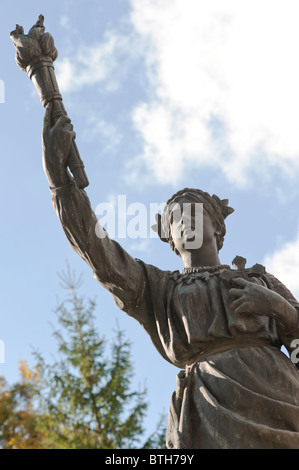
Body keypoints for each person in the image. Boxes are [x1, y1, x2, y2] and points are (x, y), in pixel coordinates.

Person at [42, 102, 299, 449]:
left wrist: (280, 308)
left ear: (216, 225)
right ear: (171, 239)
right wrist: (60, 181)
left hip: (282, 398)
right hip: (209, 410)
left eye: (194, 212)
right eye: (176, 218)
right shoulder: (157, 290)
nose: (185, 220)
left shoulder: (260, 280)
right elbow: (96, 250)